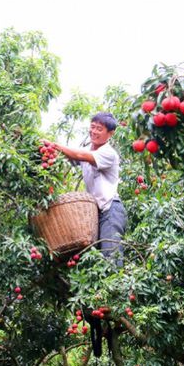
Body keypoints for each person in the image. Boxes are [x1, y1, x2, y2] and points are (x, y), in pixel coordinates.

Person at [44, 112, 126, 266]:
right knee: (93, 259)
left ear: (110, 133)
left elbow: (79, 155)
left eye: (99, 129)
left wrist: (54, 145)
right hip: (96, 213)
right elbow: (69, 158)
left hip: (111, 210)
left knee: (111, 257)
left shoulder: (108, 153)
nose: (94, 131)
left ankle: (116, 289)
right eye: (92, 127)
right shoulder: (88, 150)